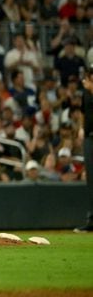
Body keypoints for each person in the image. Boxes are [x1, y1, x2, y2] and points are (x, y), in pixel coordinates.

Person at [75, 62, 93, 233]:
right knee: (91, 180)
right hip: (89, 137)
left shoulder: (90, 89)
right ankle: (91, 219)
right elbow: (82, 111)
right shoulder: (85, 92)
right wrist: (81, 127)